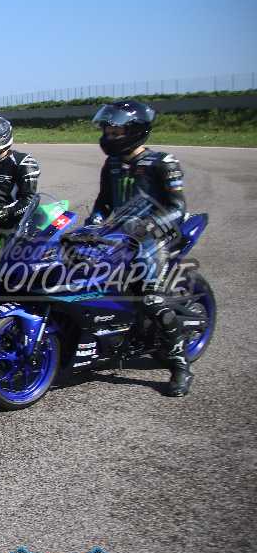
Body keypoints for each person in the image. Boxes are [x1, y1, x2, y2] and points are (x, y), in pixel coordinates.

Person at [87, 100, 192, 397]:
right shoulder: (112, 163)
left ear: (135, 131)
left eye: (115, 131)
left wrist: (147, 227)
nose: (109, 136)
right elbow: (103, 202)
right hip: (119, 236)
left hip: (156, 236)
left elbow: (178, 208)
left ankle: (180, 365)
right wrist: (93, 224)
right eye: (107, 130)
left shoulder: (163, 162)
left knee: (151, 298)